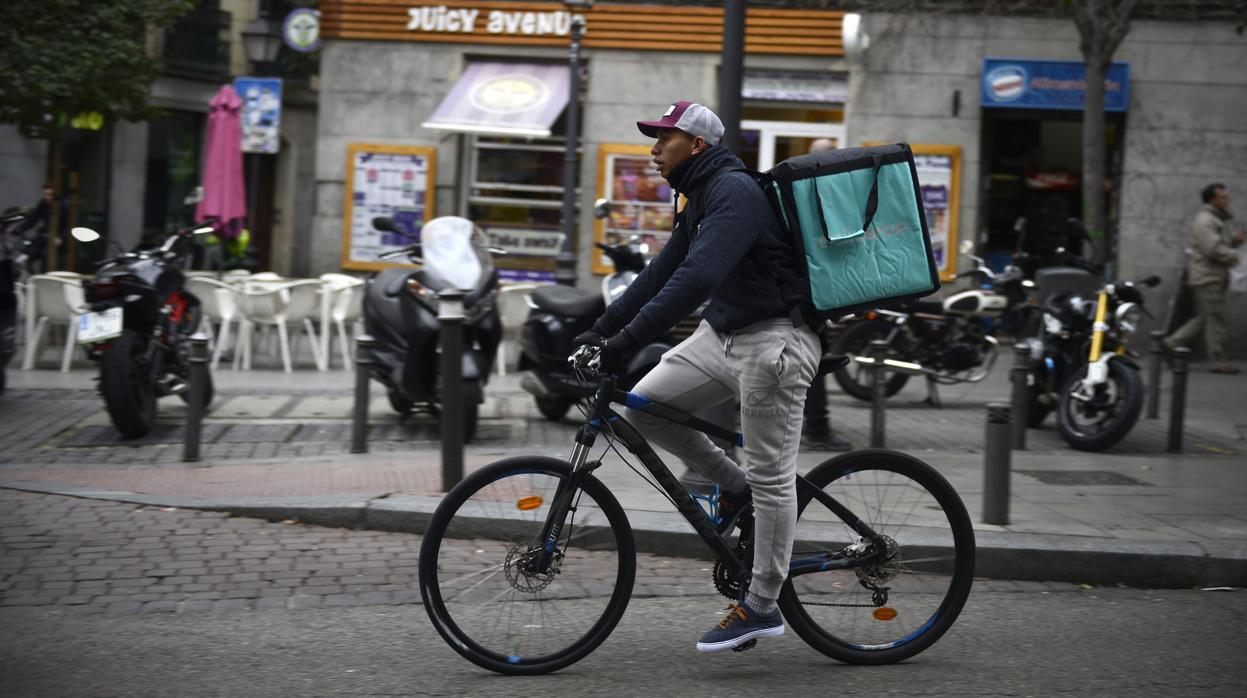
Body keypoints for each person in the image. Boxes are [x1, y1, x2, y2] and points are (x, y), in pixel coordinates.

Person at [573, 100, 821, 653]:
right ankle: (732, 487)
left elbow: (697, 276)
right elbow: (660, 272)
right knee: (641, 406)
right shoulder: (700, 197)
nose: (654, 149)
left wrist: (627, 341)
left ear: (698, 145)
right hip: (724, 336)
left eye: (665, 138)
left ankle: (761, 604)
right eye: (654, 138)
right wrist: (600, 329)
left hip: (773, 340)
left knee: (773, 476)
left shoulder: (733, 192)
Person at [800, 137, 852, 452]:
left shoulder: (806, 190)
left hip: (812, 294)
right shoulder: (819, 194)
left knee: (812, 361)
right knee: (813, 362)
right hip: (809, 296)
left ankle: (816, 425)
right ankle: (817, 428)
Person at [1164, 183, 1244, 374]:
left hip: (1212, 276)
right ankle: (1217, 361)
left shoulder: (1215, 219)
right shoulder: (1205, 220)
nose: (1226, 200)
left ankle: (1171, 343)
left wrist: (1235, 242)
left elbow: (1218, 245)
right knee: (1215, 319)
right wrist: (1238, 256)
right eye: (1222, 197)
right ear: (1212, 199)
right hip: (1208, 278)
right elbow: (1213, 250)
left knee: (1204, 318)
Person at [13, 184, 60, 274]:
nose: (47, 197)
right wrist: (17, 230)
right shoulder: (43, 203)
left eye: (49, 195)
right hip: (44, 237)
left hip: (57, 240)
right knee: (27, 256)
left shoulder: (62, 205)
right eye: (45, 194)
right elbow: (33, 220)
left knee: (46, 260)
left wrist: (60, 237)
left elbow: (65, 225)